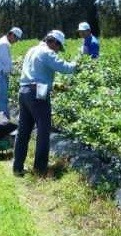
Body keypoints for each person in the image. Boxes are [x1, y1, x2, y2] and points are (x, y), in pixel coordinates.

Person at [13, 30, 76, 177]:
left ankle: (17, 167)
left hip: (24, 91)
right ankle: (40, 169)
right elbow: (65, 68)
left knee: (23, 131)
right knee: (43, 131)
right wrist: (79, 64)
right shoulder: (47, 52)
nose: (58, 51)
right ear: (54, 42)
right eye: (58, 47)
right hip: (38, 92)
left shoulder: (32, 49)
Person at [0, 27, 23, 118]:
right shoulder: (3, 44)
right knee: (3, 98)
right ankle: (4, 119)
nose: (16, 41)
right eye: (16, 39)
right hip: (1, 72)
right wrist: (15, 71)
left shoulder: (3, 43)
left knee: (1, 96)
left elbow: (6, 61)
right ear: (11, 35)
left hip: (1, 72)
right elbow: (6, 63)